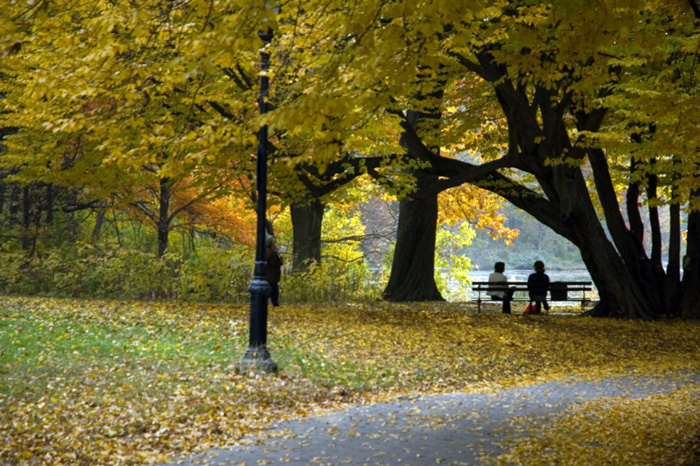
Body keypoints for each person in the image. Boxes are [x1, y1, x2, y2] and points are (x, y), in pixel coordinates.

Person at [265, 219, 283, 307]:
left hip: (268, 274)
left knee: (271, 288)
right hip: (272, 274)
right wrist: (281, 260)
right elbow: (274, 263)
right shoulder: (271, 252)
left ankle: (272, 302)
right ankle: (275, 303)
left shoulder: (265, 251)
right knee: (273, 289)